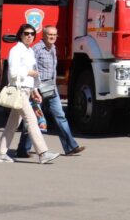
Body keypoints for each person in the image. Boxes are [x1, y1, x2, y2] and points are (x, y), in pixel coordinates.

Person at [0, 24, 60, 164]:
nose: (29, 36)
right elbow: (12, 72)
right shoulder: (16, 50)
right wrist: (29, 72)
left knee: (12, 124)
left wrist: (35, 90)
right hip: (19, 90)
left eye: (32, 34)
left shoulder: (29, 51)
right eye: (26, 33)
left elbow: (33, 74)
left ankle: (0, 153)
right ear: (20, 34)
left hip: (27, 89)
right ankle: (43, 152)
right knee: (31, 120)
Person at [15, 26, 84, 156]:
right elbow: (30, 68)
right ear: (43, 35)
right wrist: (33, 89)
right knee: (33, 119)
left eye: (54, 35)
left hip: (51, 88)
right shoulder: (36, 49)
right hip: (38, 88)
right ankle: (22, 149)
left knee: (60, 116)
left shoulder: (53, 48)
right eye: (49, 34)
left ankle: (71, 147)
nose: (52, 37)